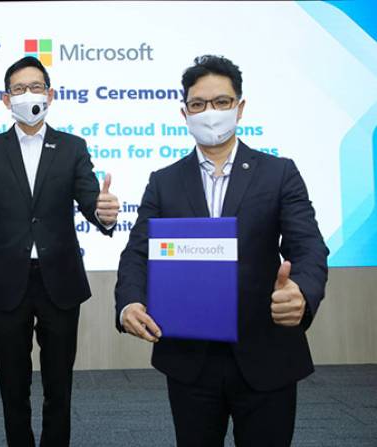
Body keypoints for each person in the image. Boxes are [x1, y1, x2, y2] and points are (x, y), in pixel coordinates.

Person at [115, 55, 329, 446]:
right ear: (185, 113)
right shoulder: (164, 181)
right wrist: (129, 302)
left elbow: (309, 246)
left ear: (239, 108)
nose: (210, 112)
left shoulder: (279, 173)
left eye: (221, 102)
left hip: (266, 351)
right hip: (190, 359)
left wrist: (302, 292)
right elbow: (137, 254)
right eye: (198, 104)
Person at [0, 56, 120, 446]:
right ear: (6, 99)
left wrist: (103, 213)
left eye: (35, 87)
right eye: (19, 89)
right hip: (7, 282)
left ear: (50, 95)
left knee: (59, 385)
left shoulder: (72, 147)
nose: (28, 94)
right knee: (12, 385)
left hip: (60, 281)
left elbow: (91, 200)